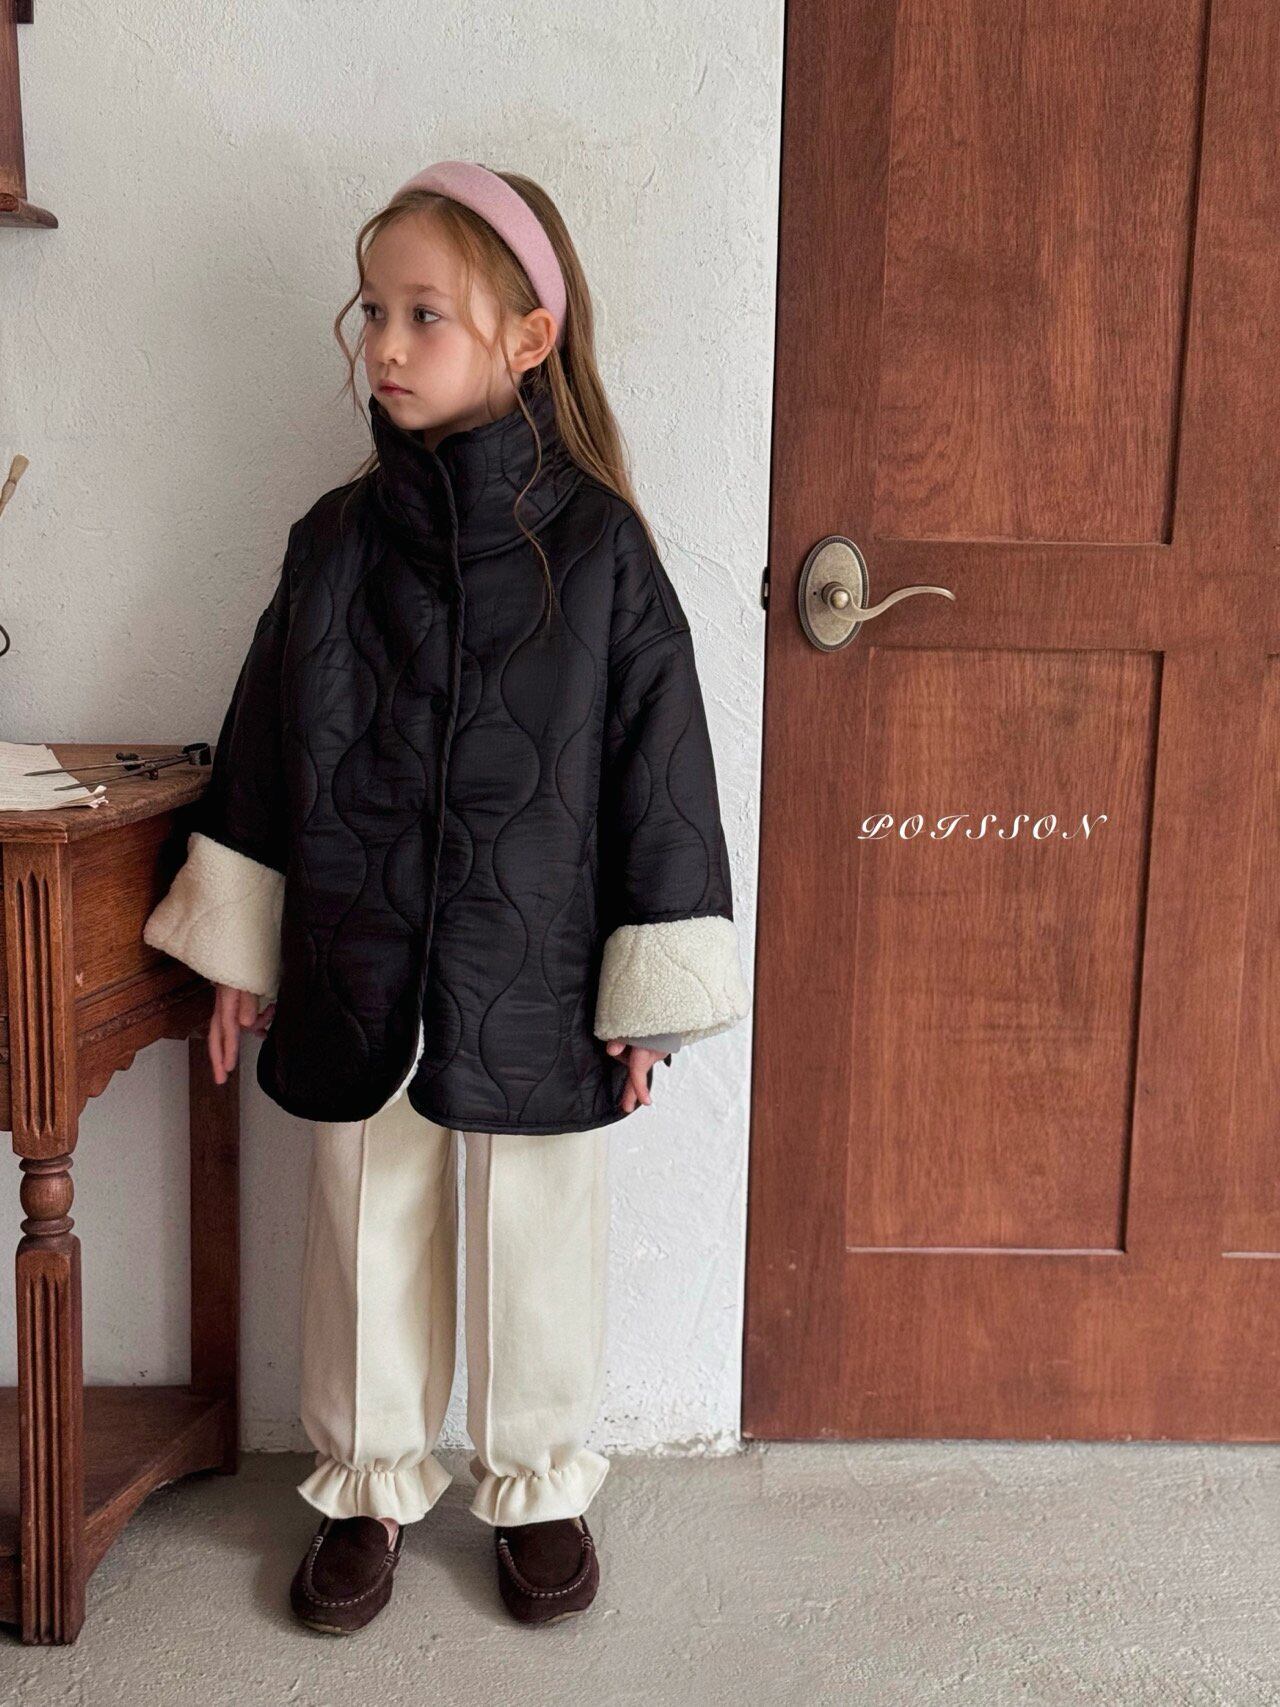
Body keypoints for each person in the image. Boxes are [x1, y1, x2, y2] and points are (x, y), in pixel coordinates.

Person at [143, 158, 750, 1634]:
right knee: (366, 1221)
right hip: (357, 957)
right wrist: (238, 949)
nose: (387, 343)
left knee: (535, 1234)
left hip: (538, 971)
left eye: (426, 314)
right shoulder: (334, 545)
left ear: (529, 337)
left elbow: (661, 772)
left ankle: (537, 1487)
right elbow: (267, 749)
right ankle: (366, 1484)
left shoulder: (601, 552)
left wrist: (650, 998)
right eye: (373, 312)